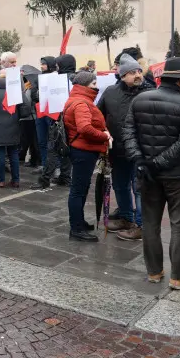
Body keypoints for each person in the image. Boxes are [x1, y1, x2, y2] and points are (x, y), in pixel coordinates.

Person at [123, 57, 180, 290]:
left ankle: (154, 272)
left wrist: (141, 161)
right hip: (177, 175)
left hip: (147, 174)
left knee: (150, 223)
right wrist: (155, 163)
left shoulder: (140, 99)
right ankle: (179, 276)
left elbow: (127, 132)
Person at [97, 54, 154, 241]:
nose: (137, 75)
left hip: (141, 150)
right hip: (117, 150)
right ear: (122, 76)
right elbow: (98, 115)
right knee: (120, 185)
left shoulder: (150, 93)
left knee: (139, 188)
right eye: (132, 72)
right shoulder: (110, 92)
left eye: (139, 71)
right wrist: (103, 132)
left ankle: (141, 226)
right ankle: (126, 218)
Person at [64, 71, 111, 242]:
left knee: (81, 189)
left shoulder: (77, 99)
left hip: (82, 149)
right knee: (78, 190)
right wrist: (104, 135)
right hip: (83, 151)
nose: (96, 87)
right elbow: (84, 128)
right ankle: (76, 229)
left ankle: (79, 222)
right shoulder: (82, 103)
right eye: (93, 84)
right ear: (85, 85)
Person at [36, 54, 76, 189]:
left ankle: (45, 179)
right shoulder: (78, 78)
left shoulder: (57, 79)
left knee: (53, 148)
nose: (56, 68)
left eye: (58, 65)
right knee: (66, 148)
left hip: (58, 118)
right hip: (73, 119)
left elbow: (42, 96)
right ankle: (65, 176)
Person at [34, 56, 58, 168]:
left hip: (52, 112)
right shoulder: (38, 78)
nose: (42, 66)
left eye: (44, 64)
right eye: (41, 64)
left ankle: (56, 166)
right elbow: (33, 94)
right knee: (42, 140)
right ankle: (45, 165)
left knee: (53, 141)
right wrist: (37, 94)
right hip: (41, 110)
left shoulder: (56, 77)